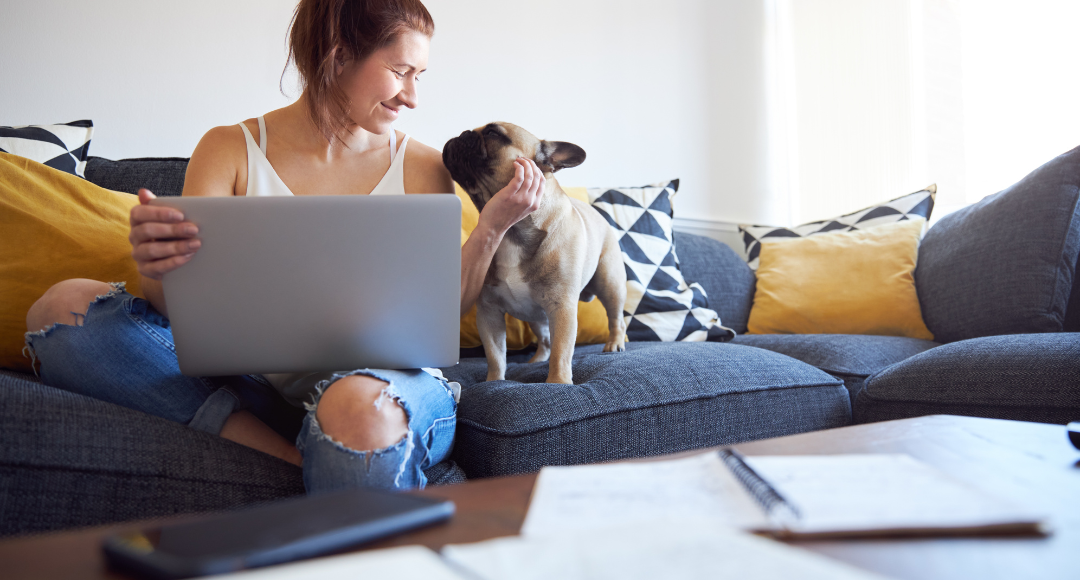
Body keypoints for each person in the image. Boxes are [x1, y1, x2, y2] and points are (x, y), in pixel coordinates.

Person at [22, 0, 546, 493]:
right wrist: (161, 265)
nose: (412, 96)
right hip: (255, 389)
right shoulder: (229, 149)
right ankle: (299, 460)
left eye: (419, 76)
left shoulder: (423, 165)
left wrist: (491, 227)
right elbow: (174, 313)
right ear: (339, 56)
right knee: (61, 310)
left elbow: (440, 312)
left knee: (356, 409)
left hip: (383, 391)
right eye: (400, 71)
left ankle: (334, 448)